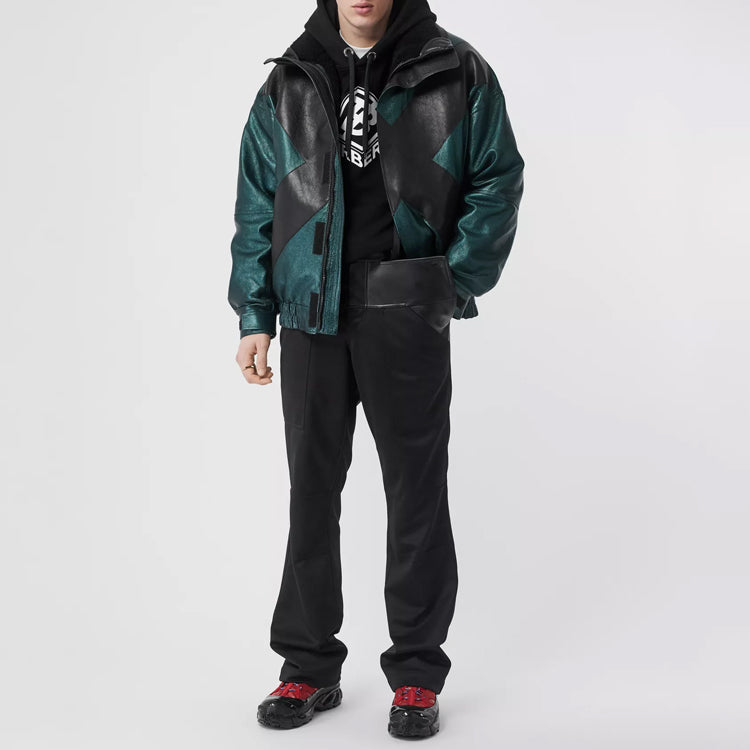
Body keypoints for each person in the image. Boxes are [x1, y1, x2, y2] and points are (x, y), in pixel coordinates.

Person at [227, 0, 524, 738]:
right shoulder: (290, 80)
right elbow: (257, 201)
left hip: (405, 304)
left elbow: (498, 178)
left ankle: (417, 672)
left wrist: (447, 282)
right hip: (310, 309)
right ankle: (307, 666)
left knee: (416, 491)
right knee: (311, 490)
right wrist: (255, 313)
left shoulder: (456, 70)